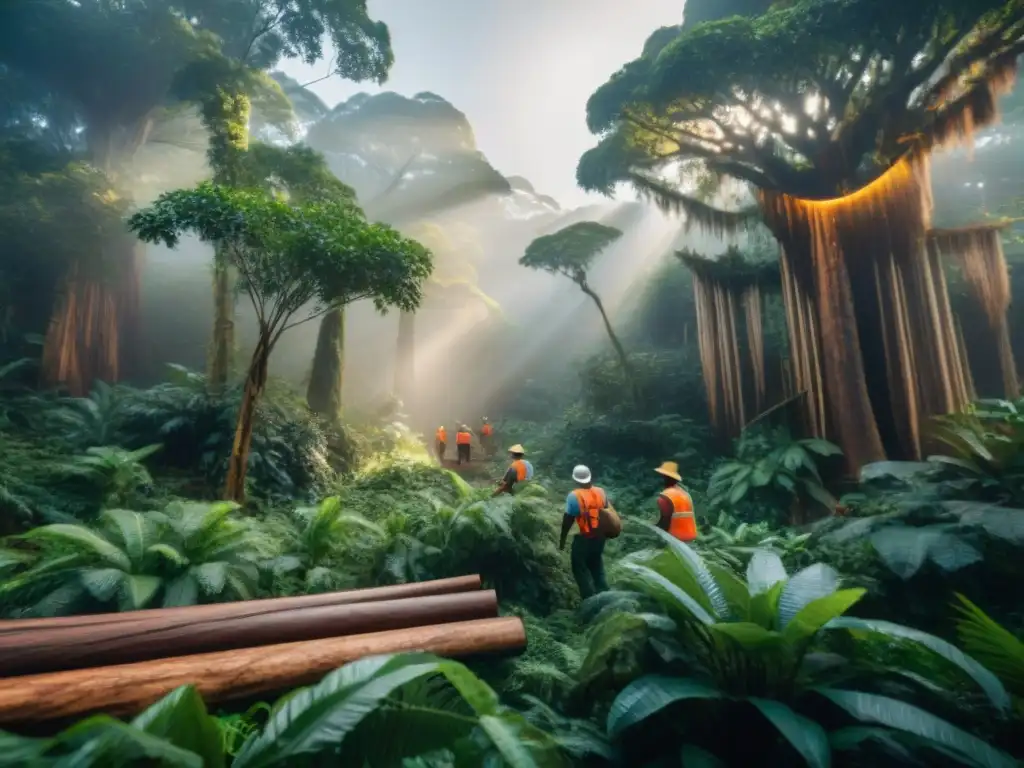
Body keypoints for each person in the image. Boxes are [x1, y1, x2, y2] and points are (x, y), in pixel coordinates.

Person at [560, 464, 610, 600]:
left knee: (579, 568)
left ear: (575, 480)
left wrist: (563, 539)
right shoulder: (601, 492)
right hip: (600, 538)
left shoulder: (573, 496)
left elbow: (568, 520)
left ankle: (589, 600)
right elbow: (606, 512)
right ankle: (606, 597)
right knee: (597, 567)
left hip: (585, 538)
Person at [653, 461, 697, 541]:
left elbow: (664, 523)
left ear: (665, 477)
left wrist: (653, 528)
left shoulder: (665, 497)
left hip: (675, 539)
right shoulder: (685, 494)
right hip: (690, 537)